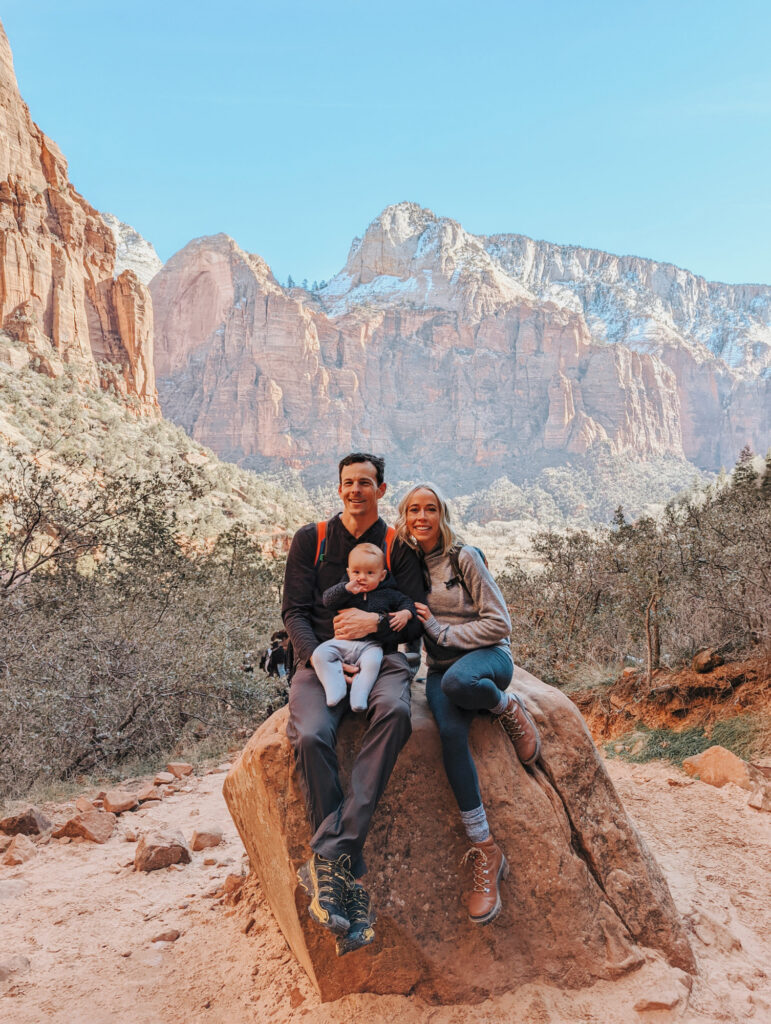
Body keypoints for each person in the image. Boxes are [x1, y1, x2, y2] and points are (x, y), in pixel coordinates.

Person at [282, 453, 425, 954]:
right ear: (339, 488)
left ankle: (328, 860)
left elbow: (416, 617)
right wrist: (319, 659)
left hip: (381, 660)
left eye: (366, 482)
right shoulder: (312, 539)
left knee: (397, 713)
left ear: (381, 490)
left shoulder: (397, 547)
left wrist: (375, 627)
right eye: (348, 482)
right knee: (312, 734)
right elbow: (295, 612)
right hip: (320, 662)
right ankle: (347, 878)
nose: (356, 490)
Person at [395, 483, 541, 926]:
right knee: (451, 735)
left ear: (443, 514)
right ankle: (485, 849)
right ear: (404, 517)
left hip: (488, 659)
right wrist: (402, 674)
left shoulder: (465, 558)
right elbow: (411, 636)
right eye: (414, 510)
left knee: (460, 682)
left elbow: (499, 623)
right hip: (444, 671)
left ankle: (504, 706)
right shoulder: (407, 568)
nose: (422, 517)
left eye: (431, 509)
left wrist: (442, 634)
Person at [312, 543, 416, 711]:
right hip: (342, 641)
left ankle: (359, 695)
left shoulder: (389, 594)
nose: (362, 577)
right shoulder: (345, 591)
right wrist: (346, 588)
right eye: (356, 572)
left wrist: (405, 613)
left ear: (382, 576)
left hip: (371, 645)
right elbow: (327, 600)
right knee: (320, 654)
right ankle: (335, 687)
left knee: (373, 664)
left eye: (369, 573)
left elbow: (407, 602)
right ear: (348, 572)